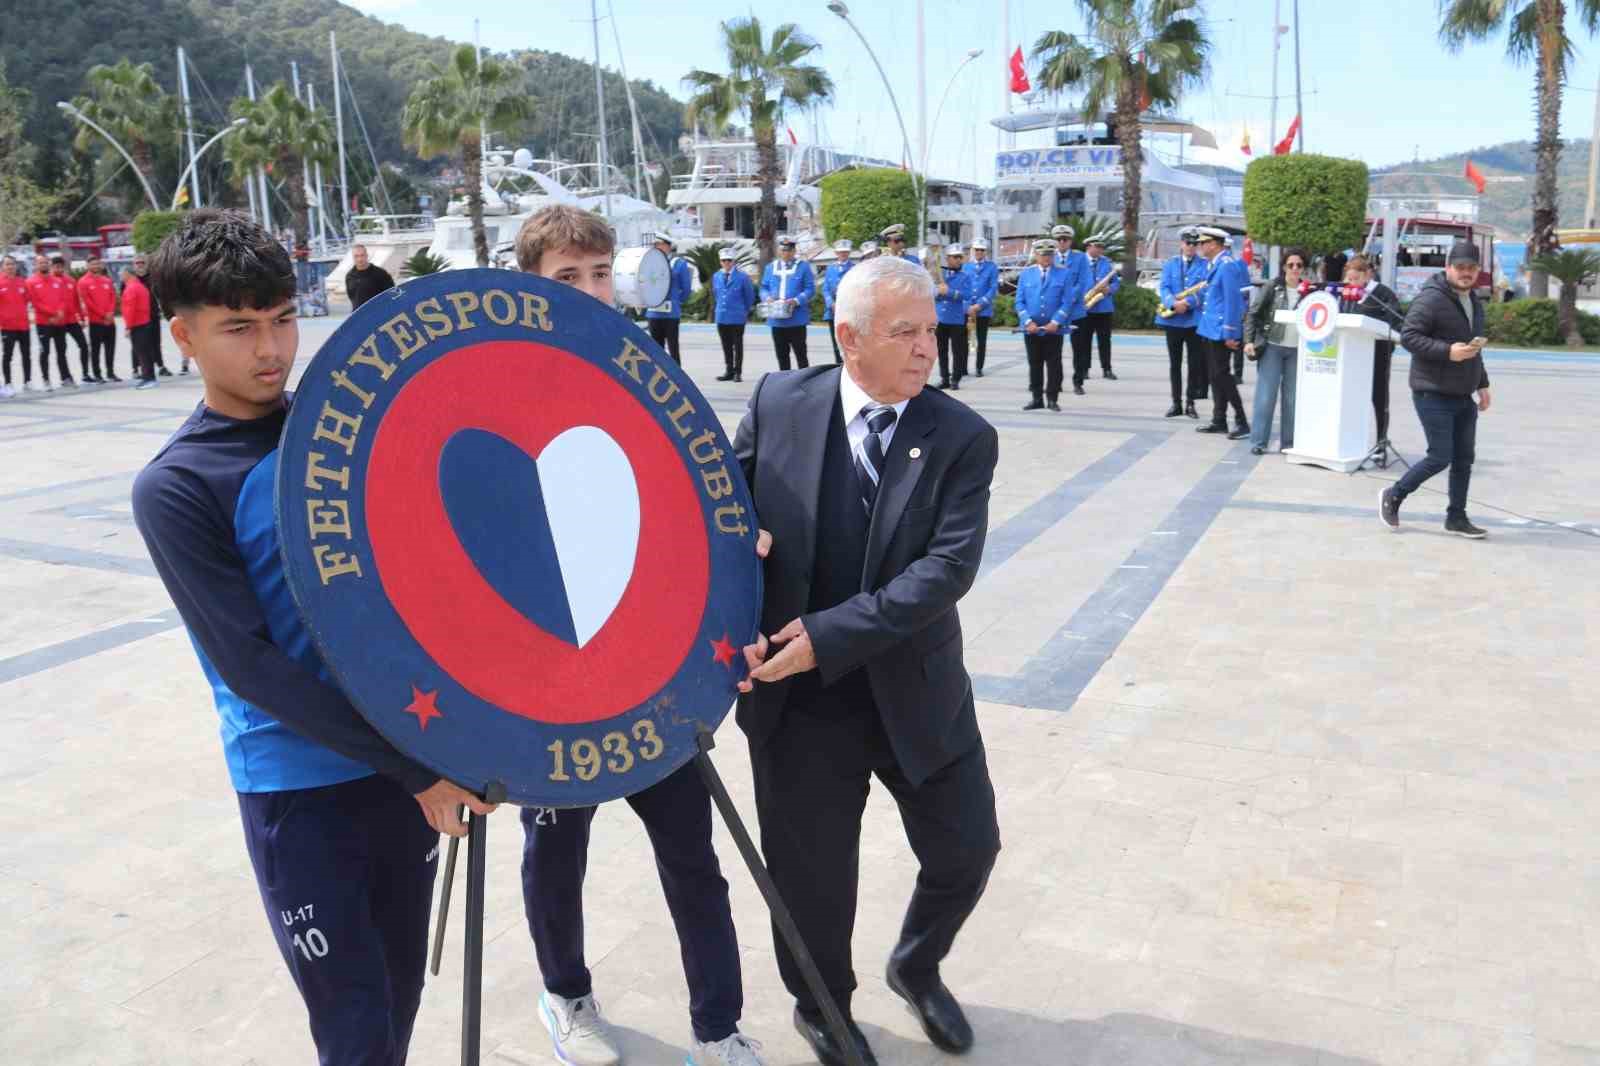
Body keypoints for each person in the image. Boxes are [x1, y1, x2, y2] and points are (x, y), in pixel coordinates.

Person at [130, 208, 494, 1066]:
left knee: (399, 1000)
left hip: (407, 763)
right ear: (183, 336)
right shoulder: (179, 485)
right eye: (239, 328)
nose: (272, 349)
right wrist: (416, 769)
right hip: (300, 791)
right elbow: (249, 665)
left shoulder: (346, 435)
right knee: (354, 1028)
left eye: (285, 318)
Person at [511, 204, 768, 1066]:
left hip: (647, 672)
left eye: (598, 273)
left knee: (692, 854)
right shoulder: (501, 377)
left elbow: (693, 488)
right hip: (548, 678)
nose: (588, 291)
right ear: (529, 285)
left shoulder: (644, 373)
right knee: (556, 851)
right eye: (565, 277)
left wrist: (742, 530)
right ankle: (565, 995)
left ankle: (718, 1028)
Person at [732, 254, 1001, 1066]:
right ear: (849, 338)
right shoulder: (779, 401)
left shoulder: (962, 437)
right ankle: (822, 1005)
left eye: (931, 330)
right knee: (811, 878)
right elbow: (721, 512)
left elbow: (946, 570)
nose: (927, 349)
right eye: (904, 332)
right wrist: (736, 552)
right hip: (797, 700)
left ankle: (916, 964)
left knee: (967, 848)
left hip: (914, 688)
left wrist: (831, 635)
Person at [1379, 239, 1492, 538]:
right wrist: (1447, 351)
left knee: (1464, 459)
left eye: (1471, 268)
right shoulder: (1432, 298)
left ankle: (1456, 517)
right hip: (1432, 391)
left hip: (1463, 394)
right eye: (1460, 267)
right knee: (1440, 456)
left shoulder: (1474, 301)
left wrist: (1482, 383)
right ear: (1448, 267)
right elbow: (1408, 336)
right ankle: (1394, 494)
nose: (1466, 273)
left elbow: (1474, 348)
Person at [1244, 248, 1308, 455]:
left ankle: (1288, 443)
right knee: (1266, 396)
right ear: (1284, 267)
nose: (1295, 268)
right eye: (1291, 265)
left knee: (1292, 399)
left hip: (1297, 349)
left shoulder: (1308, 291)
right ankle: (1259, 442)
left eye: (1299, 265)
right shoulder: (1273, 286)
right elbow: (1253, 313)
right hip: (1272, 346)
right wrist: (1249, 340)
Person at [1193, 227, 1250, 439]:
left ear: (1214, 244)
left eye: (1203, 243)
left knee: (1223, 376)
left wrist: (1230, 333)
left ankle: (1241, 421)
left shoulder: (1227, 266)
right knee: (1215, 377)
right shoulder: (1214, 264)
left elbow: (1233, 301)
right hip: (1210, 328)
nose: (1200, 246)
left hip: (1221, 330)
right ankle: (1219, 419)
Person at [1343, 254, 1404, 446]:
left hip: (1379, 352)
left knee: (1379, 397)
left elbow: (1396, 321)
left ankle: (1381, 441)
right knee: (1352, 396)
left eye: (1356, 278)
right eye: (1349, 279)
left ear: (1367, 274)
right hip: (1352, 352)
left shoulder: (1383, 293)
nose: (1352, 283)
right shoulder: (1346, 292)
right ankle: (1351, 441)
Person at [1015, 238, 1073, 412]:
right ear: (1036, 255)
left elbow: (1067, 302)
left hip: (1054, 329)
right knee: (1035, 364)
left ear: (1054, 255)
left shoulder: (1064, 273)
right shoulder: (1026, 274)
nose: (1046, 258)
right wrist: (1027, 321)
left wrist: (1056, 322)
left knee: (1054, 365)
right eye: (1042, 254)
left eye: (1049, 254)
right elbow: (1019, 302)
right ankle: (1037, 398)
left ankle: (1052, 399)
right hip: (1032, 329)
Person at [1156, 229, 1208, 417]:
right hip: (1173, 320)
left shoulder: (1205, 265)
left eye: (1195, 244)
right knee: (1175, 364)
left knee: (1194, 364)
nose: (1191, 247)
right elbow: (1164, 287)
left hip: (1193, 321)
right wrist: (1173, 303)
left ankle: (1190, 403)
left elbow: (1205, 289)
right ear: (1181, 244)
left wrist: (1188, 303)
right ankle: (1176, 403)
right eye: (1188, 243)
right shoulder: (1171, 264)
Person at [760, 235, 816, 371]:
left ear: (794, 251)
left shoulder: (803, 267)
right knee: (781, 355)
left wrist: (796, 300)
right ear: (779, 251)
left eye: (789, 250)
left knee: (801, 355)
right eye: (783, 250)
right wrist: (767, 297)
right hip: (776, 319)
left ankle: (804, 380)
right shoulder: (770, 267)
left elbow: (810, 289)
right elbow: (764, 287)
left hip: (796, 319)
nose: (786, 253)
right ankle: (785, 380)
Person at [1051, 227, 1092, 395]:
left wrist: (1068, 298)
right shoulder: (1049, 256)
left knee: (1079, 349)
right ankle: (1056, 382)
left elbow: (1084, 281)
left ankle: (1078, 382)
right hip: (1056, 311)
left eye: (1065, 239)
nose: (1062, 242)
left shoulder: (1080, 258)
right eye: (1059, 239)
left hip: (1076, 310)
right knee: (1054, 350)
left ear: (1070, 241)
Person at [645, 233, 696, 365]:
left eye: (658, 244)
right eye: (655, 245)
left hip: (670, 313)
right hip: (654, 312)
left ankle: (676, 375)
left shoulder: (678, 264)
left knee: (673, 348)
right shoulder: (650, 263)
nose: (655, 247)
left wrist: (676, 301)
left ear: (667, 246)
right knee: (656, 350)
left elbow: (686, 288)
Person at [27, 254, 73, 390]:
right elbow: (36, 303)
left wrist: (60, 312)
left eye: (45, 262)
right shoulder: (31, 282)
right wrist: (52, 314)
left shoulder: (57, 281)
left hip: (59, 322)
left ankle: (65, 378)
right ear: (36, 265)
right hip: (43, 323)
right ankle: (46, 380)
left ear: (49, 264)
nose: (43, 265)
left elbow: (63, 299)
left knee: (61, 351)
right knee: (45, 352)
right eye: (40, 263)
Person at [712, 247, 757, 382]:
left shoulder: (742, 277)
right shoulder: (716, 276)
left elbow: (749, 297)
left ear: (734, 261)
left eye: (729, 260)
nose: (726, 263)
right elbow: (716, 294)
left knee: (737, 345)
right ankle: (729, 370)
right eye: (724, 260)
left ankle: (738, 372)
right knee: (726, 345)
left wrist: (743, 311)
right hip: (722, 316)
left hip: (737, 317)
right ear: (720, 262)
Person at [933, 243, 973, 390]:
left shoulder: (964, 277)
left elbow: (967, 295)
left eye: (959, 257)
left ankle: (956, 378)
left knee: (958, 351)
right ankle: (944, 378)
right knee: (941, 350)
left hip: (956, 319)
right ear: (948, 258)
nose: (958, 260)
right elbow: (932, 293)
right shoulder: (940, 275)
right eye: (955, 257)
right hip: (941, 318)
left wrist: (949, 292)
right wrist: (938, 292)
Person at [1080, 236, 1120, 380]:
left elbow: (1116, 283)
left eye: (1101, 247)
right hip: (1085, 307)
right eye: (1097, 246)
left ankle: (1107, 369)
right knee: (1084, 340)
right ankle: (1084, 369)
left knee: (1105, 340)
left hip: (1104, 307)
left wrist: (1109, 289)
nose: (1100, 250)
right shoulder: (1079, 262)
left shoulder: (1106, 262)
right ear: (1088, 247)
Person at [52, 257, 97, 383]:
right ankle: (65, 376)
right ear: (52, 267)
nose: (59, 269)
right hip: (59, 322)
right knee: (61, 350)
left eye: (60, 266)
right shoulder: (50, 281)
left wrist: (82, 317)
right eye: (56, 267)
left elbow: (76, 301)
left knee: (84, 346)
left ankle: (85, 374)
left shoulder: (71, 281)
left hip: (72, 320)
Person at [79, 255, 119, 382]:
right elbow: (88, 302)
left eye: (97, 264)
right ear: (88, 266)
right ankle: (97, 374)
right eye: (93, 264)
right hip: (96, 321)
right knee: (96, 350)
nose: (96, 266)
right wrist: (103, 314)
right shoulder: (83, 282)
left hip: (110, 320)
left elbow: (113, 297)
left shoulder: (106, 280)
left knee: (110, 348)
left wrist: (110, 312)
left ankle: (110, 372)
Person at [121, 256, 159, 391]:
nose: (121, 277)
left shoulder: (132, 288)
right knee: (146, 352)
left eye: (122, 274)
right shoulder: (140, 286)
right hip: (144, 322)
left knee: (142, 353)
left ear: (128, 274)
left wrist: (128, 327)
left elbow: (130, 309)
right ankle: (149, 377)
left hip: (138, 324)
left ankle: (148, 378)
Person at [963, 239, 998, 376]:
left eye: (982, 250)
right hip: (967, 309)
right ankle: (962, 367)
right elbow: (963, 286)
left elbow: (993, 288)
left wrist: (980, 304)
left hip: (983, 310)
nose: (979, 252)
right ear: (973, 250)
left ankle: (979, 367)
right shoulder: (966, 266)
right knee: (964, 340)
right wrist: (968, 306)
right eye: (977, 249)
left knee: (981, 341)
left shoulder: (991, 267)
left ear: (985, 251)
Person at [0, 255, 31, 397]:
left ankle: (27, 381)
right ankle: (8, 384)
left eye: (12, 264)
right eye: (7, 264)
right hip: (8, 327)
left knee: (26, 355)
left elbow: (26, 301)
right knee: (8, 356)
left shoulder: (22, 282)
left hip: (23, 326)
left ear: (16, 266)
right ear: (2, 267)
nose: (10, 266)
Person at [822, 239, 855, 364]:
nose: (843, 254)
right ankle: (838, 366)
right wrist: (830, 303)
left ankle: (850, 365)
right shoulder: (831, 268)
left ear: (849, 253)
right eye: (841, 252)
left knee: (849, 340)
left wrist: (844, 304)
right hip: (833, 310)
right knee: (836, 342)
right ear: (836, 253)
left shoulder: (854, 268)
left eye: (845, 252)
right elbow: (825, 288)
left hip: (848, 310)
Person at [344, 243, 395, 311]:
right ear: (353, 257)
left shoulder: (380, 273)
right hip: (359, 314)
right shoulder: (350, 276)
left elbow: (391, 293)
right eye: (356, 256)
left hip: (378, 313)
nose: (359, 259)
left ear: (367, 256)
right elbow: (351, 297)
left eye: (362, 255)